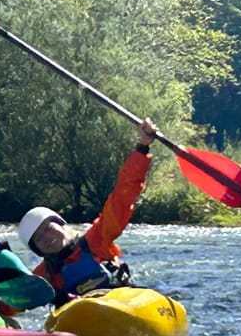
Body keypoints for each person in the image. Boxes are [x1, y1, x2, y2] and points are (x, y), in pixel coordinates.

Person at [17, 118, 158, 307]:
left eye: (48, 228)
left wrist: (142, 148)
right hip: (84, 321)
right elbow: (13, 302)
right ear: (38, 251)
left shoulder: (97, 239)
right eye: (40, 239)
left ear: (62, 225)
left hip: (122, 307)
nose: (47, 237)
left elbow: (122, 197)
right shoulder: (43, 277)